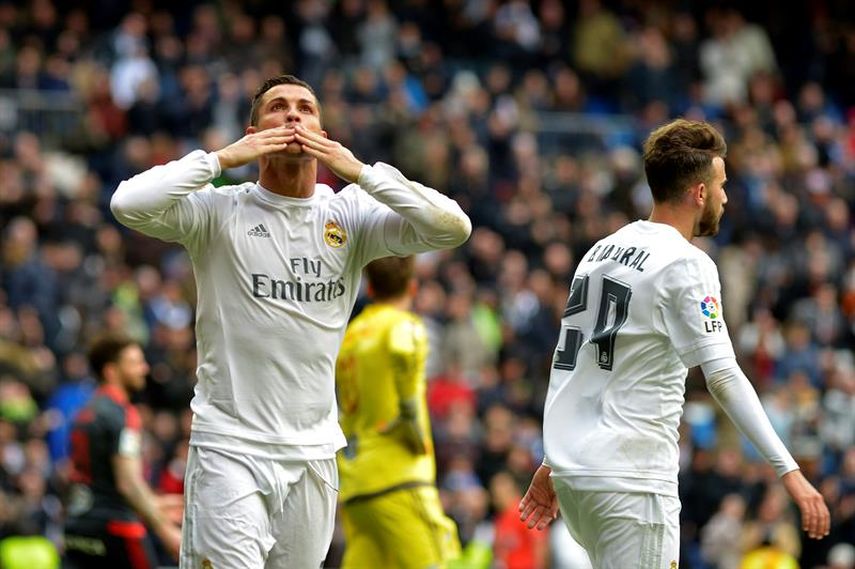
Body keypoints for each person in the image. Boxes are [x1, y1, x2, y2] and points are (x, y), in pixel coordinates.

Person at [110, 74, 471, 568]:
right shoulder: (219, 211)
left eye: (307, 108)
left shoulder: (350, 215)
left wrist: (361, 171)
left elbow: (452, 227)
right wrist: (220, 159)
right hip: (230, 447)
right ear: (254, 130)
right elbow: (127, 203)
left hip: (315, 454)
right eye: (278, 108)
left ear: (323, 130)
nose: (294, 116)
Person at [518, 118, 830, 567]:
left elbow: (581, 365)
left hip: (578, 477)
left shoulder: (600, 252)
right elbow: (721, 375)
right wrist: (789, 469)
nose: (725, 196)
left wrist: (555, 461)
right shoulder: (686, 263)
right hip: (633, 480)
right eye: (721, 184)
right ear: (699, 192)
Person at [335, 255, 461, 568]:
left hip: (356, 483)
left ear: (372, 287)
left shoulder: (350, 335)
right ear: (413, 287)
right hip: (399, 476)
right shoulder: (403, 324)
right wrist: (410, 419)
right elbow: (403, 349)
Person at [63, 334, 182, 568]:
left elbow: (97, 480)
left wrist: (158, 504)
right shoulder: (124, 413)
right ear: (111, 371)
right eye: (135, 362)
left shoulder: (85, 412)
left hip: (77, 527)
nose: (144, 369)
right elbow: (128, 484)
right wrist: (167, 532)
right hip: (115, 527)